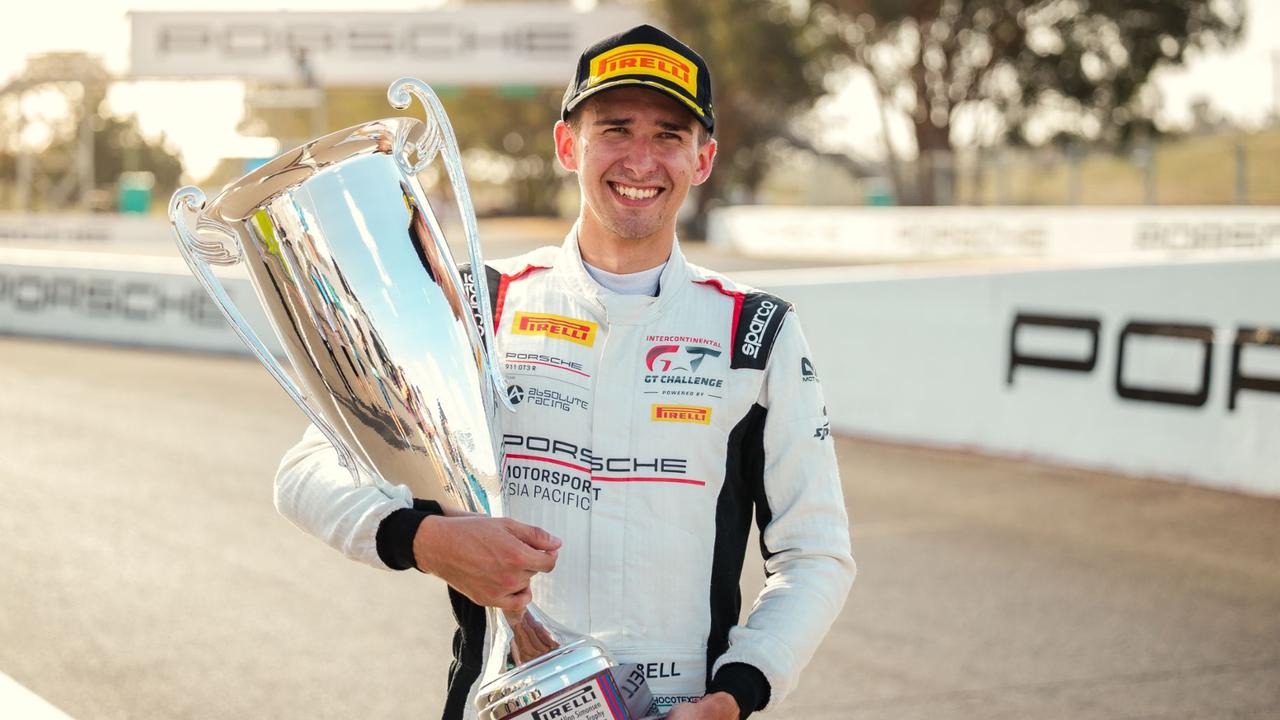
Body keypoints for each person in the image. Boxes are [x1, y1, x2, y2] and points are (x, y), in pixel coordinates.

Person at [275, 24, 854, 720]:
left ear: (702, 159)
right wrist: (422, 540)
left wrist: (735, 696)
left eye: (669, 135)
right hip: (501, 703)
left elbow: (815, 556)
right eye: (614, 129)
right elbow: (307, 471)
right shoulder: (478, 304)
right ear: (567, 145)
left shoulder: (755, 334)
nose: (641, 160)